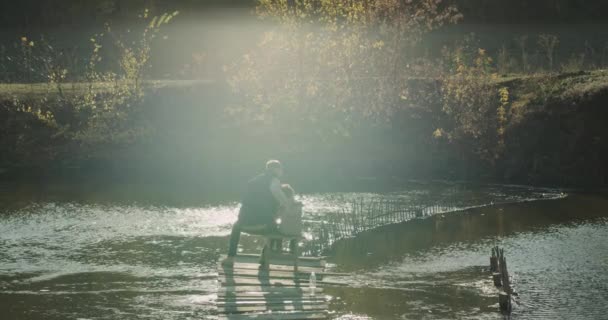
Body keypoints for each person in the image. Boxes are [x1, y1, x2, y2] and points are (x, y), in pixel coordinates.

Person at [223, 160, 289, 265]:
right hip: (262, 223)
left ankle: (231, 257)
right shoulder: (274, 180)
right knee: (276, 228)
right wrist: (286, 204)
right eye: (280, 169)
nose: (282, 171)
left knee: (235, 226)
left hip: (244, 221)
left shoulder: (253, 181)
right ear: (275, 169)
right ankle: (265, 256)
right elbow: (279, 196)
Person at [275, 184, 303, 253]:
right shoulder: (299, 204)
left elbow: (277, 216)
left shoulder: (281, 205)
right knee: (294, 228)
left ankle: (278, 249)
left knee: (277, 229)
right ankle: (293, 250)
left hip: (284, 231)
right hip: (296, 231)